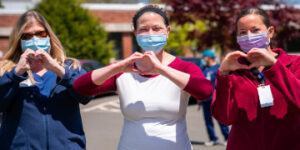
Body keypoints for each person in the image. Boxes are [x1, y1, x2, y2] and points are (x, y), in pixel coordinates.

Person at [73, 5, 213, 150]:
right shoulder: (125, 71)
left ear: (167, 31)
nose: (150, 33)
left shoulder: (184, 68)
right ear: (135, 33)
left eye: (157, 28)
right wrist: (116, 67)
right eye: (144, 29)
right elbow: (80, 87)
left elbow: (205, 91)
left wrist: (162, 70)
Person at [0, 11, 93, 150]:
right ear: (19, 41)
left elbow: (87, 95)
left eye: (40, 33)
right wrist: (16, 74)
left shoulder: (70, 66)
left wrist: (58, 69)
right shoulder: (6, 70)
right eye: (27, 36)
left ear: (49, 36)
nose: (35, 39)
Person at [211, 7, 300, 150]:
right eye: (242, 33)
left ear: (270, 32)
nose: (249, 36)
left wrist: (274, 67)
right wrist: (223, 74)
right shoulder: (234, 70)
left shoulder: (295, 64)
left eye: (255, 30)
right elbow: (225, 118)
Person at [201, 50, 229, 146]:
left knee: (221, 119)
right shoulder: (204, 68)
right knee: (208, 120)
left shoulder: (218, 68)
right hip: (205, 99)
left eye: (204, 57)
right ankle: (213, 138)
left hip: (216, 99)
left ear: (209, 57)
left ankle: (227, 138)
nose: (203, 59)